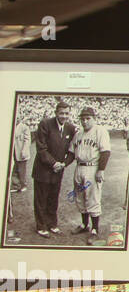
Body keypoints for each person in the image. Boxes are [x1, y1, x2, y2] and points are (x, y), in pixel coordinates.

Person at [70, 107, 112, 245]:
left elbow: (105, 152)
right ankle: (84, 225)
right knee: (80, 198)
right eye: (82, 118)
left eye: (88, 118)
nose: (84, 121)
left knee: (93, 198)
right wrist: (62, 164)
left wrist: (101, 170)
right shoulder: (78, 134)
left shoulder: (100, 131)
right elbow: (71, 152)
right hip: (79, 168)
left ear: (94, 119)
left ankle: (94, 229)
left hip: (93, 168)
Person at [33, 100, 75, 237]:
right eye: (61, 113)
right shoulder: (45, 124)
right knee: (41, 199)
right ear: (56, 112)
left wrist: (64, 164)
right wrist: (53, 163)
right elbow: (41, 148)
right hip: (43, 170)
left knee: (53, 198)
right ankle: (41, 226)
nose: (64, 116)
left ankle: (52, 224)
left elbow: (72, 150)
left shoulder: (70, 128)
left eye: (66, 113)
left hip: (58, 171)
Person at [11, 116, 32, 192]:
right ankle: (17, 185)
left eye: (17, 118)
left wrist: (24, 151)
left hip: (22, 152)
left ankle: (22, 185)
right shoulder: (12, 126)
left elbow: (27, 140)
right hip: (15, 151)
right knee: (15, 169)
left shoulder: (24, 127)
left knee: (21, 170)